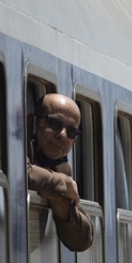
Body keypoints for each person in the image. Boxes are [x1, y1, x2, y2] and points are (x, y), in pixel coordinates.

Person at [26, 93, 94, 252]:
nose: (62, 135)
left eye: (71, 132)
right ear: (31, 123)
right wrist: (61, 185)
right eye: (54, 123)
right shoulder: (18, 143)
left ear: (74, 141)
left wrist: (59, 201)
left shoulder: (61, 169)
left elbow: (82, 241)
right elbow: (21, 173)